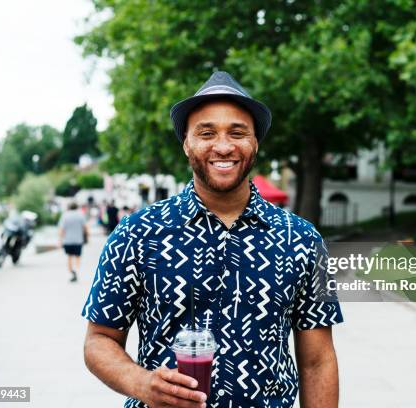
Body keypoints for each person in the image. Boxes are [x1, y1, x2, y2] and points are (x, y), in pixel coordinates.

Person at [81, 71, 343, 408]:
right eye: (206, 133)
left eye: (238, 133)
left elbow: (317, 360)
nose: (223, 146)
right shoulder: (137, 233)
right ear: (187, 143)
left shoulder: (304, 240)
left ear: (255, 143)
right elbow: (99, 340)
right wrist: (142, 383)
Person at [58, 202, 88, 282]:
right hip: (78, 240)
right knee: (78, 257)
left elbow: (61, 229)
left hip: (67, 241)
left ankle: (72, 272)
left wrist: (60, 240)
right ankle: (77, 271)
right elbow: (85, 227)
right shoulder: (81, 215)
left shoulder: (65, 216)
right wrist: (87, 237)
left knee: (69, 257)